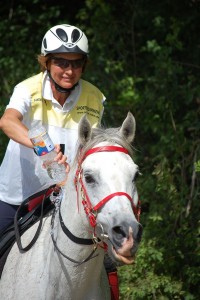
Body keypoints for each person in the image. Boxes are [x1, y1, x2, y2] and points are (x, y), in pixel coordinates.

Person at [0, 24, 119, 299]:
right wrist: (42, 147)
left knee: (108, 262)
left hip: (63, 195)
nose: (68, 70)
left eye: (76, 64)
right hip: (17, 194)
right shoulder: (27, 88)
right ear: (47, 62)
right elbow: (7, 121)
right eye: (61, 62)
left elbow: (91, 148)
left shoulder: (94, 97)